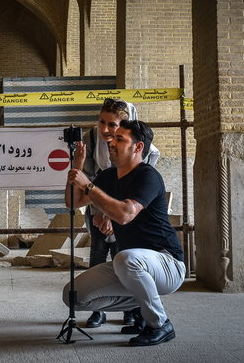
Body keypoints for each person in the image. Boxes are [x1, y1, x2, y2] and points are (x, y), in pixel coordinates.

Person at [63, 120, 185, 346]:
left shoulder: (147, 176)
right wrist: (78, 165)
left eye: (120, 139)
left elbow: (125, 214)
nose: (111, 142)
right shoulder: (108, 177)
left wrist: (89, 186)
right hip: (132, 266)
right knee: (73, 296)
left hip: (167, 263)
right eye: (112, 138)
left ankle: (160, 324)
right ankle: (139, 304)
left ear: (138, 147)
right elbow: (72, 202)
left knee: (125, 258)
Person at [75, 99, 160, 329]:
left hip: (128, 211)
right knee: (97, 254)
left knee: (125, 257)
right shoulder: (91, 140)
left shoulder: (142, 147)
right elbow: (89, 183)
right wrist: (101, 214)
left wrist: (114, 216)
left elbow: (138, 186)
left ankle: (131, 310)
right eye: (101, 122)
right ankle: (98, 310)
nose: (104, 129)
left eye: (112, 125)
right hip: (97, 210)